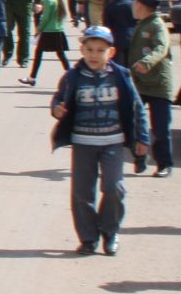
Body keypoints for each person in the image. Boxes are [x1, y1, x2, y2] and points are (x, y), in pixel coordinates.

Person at [50, 26, 149, 256]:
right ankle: (88, 238)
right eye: (90, 49)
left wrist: (142, 137)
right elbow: (58, 100)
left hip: (112, 141)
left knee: (114, 188)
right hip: (83, 142)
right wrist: (57, 109)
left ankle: (110, 231)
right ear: (82, 49)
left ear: (111, 52)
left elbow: (137, 108)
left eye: (100, 50)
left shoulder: (121, 76)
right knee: (82, 193)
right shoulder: (72, 76)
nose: (94, 55)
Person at [126, 0, 174, 177]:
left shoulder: (157, 25)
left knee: (161, 128)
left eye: (135, 1)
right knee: (136, 123)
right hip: (141, 83)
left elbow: (161, 47)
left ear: (142, 5)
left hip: (158, 85)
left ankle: (164, 165)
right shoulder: (142, 23)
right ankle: (140, 158)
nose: (132, 5)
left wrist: (147, 62)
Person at [20, 0, 72, 85]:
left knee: (39, 53)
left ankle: (32, 77)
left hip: (49, 31)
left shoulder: (49, 0)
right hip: (57, 30)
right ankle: (71, 75)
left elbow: (45, 18)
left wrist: (38, 29)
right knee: (60, 54)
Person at [104, 0, 137, 66]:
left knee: (118, 67)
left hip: (116, 41)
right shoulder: (132, 5)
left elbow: (106, 26)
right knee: (130, 65)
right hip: (132, 38)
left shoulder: (109, 6)